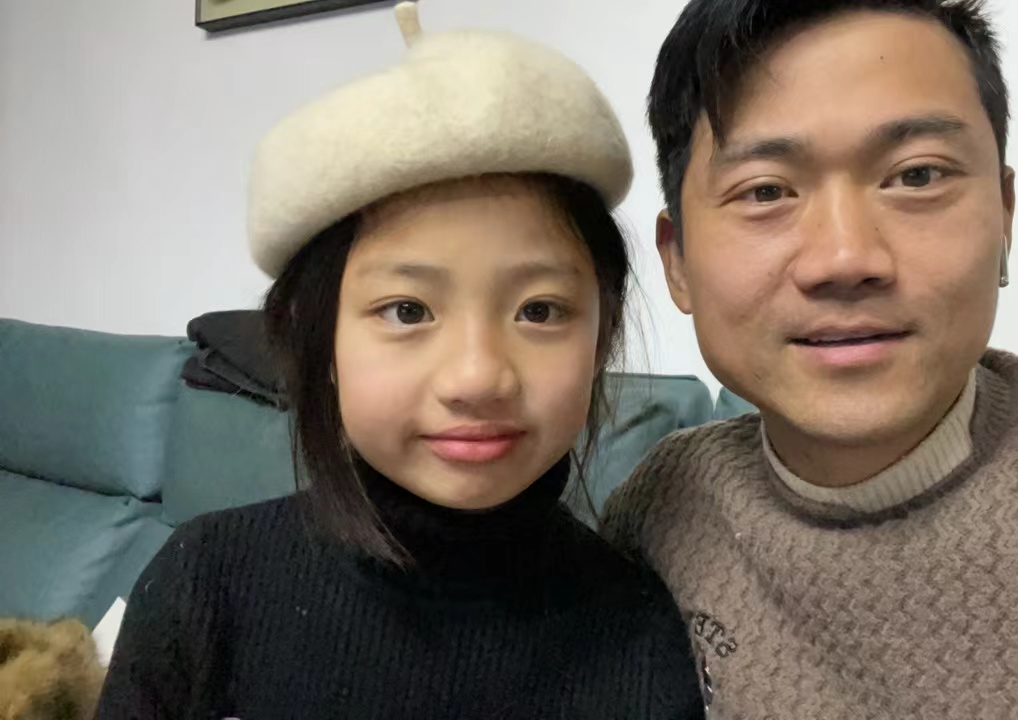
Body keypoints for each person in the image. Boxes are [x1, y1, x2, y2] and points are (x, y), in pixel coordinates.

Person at [601, 0, 1018, 717]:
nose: (846, 258)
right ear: (676, 261)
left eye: (917, 176)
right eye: (766, 190)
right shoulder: (661, 514)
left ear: (1004, 215)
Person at [97, 3, 704, 717]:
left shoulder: (641, 636)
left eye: (539, 310)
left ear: (601, 338)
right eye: (408, 311)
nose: (477, 378)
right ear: (320, 342)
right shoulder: (205, 586)